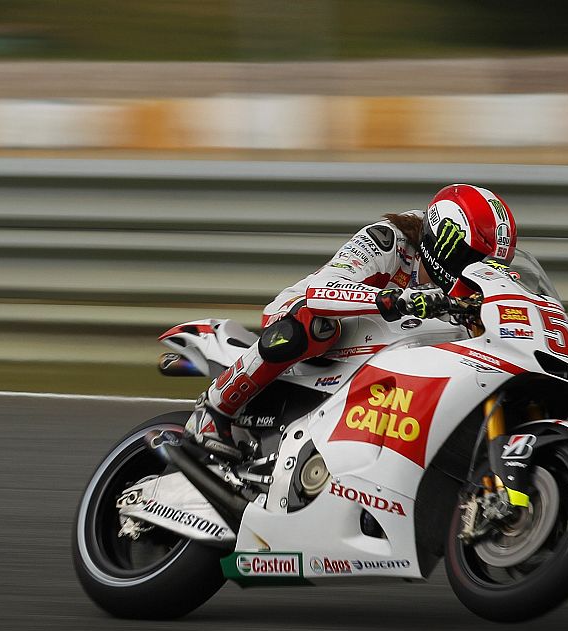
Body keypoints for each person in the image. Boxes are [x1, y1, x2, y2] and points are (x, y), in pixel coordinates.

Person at [186, 183, 517, 459]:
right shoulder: (390, 240)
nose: (479, 271)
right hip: (312, 319)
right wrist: (392, 300)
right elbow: (323, 290)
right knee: (312, 322)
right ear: (446, 242)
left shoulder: (468, 294)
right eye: (475, 259)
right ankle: (214, 410)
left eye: (490, 265)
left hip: (384, 358)